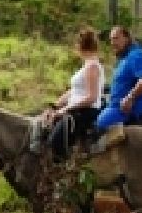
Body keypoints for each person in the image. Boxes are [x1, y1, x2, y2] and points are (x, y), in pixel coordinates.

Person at [31, 26, 107, 156]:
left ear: (80, 46)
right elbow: (74, 91)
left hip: (85, 111)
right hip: (75, 109)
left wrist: (65, 109)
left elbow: (92, 97)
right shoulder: (87, 65)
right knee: (41, 121)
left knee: (56, 140)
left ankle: (65, 168)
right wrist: (55, 106)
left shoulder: (92, 66)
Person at [95, 26, 142, 133]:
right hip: (115, 105)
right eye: (111, 39)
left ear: (127, 38)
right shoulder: (124, 58)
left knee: (101, 123)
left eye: (116, 38)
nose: (112, 42)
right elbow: (123, 83)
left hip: (129, 108)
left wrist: (130, 98)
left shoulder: (136, 55)